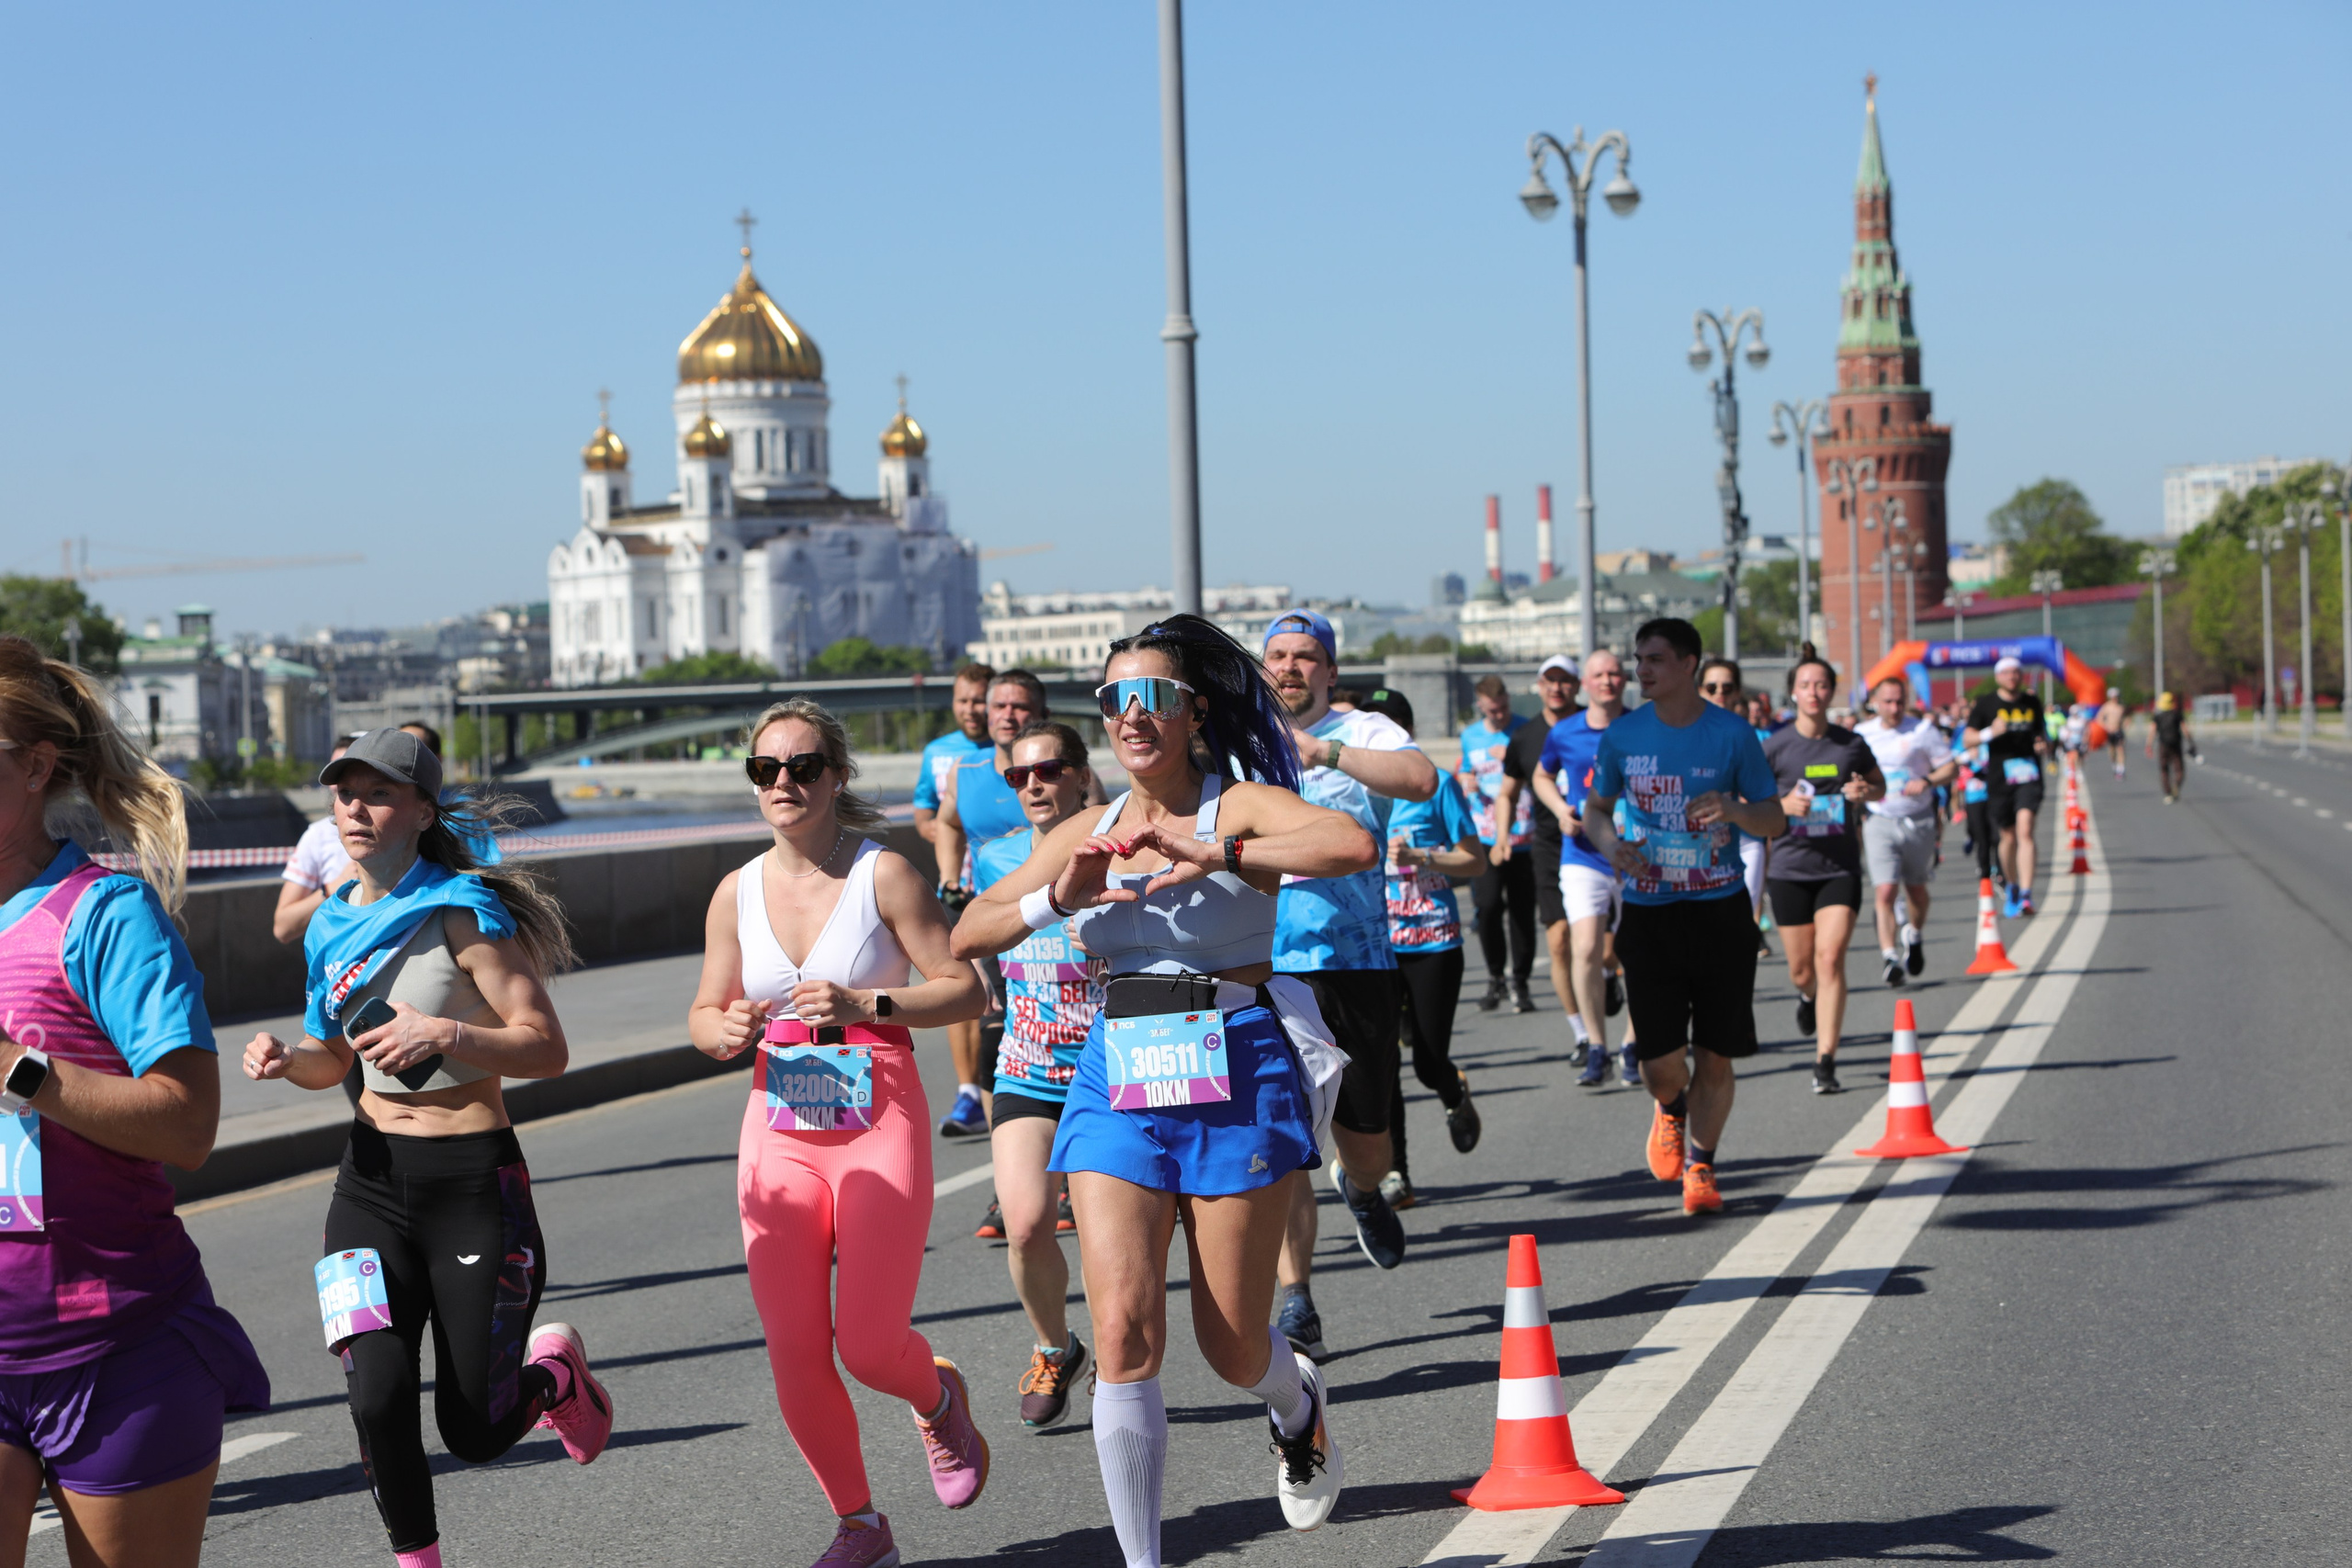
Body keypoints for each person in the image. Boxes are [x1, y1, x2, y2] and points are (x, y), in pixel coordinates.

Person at [951, 614, 1373, 1561]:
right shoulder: (1082, 833)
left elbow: (1348, 847)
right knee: (1124, 1332)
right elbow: (969, 932)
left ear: (1193, 712)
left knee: (1229, 1347)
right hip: (1120, 1072)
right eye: (1114, 701)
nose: (1132, 716)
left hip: (1235, 1064)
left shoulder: (1241, 806)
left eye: (1153, 698)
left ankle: (1294, 1403)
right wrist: (1058, 898)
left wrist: (1215, 855)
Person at [241, 727, 608, 1568]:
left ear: (420, 809)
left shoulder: (461, 910)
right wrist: (283, 1059)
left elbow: (545, 1048)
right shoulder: (328, 924)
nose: (354, 809)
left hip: (473, 1183)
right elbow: (329, 1056)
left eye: (375, 793)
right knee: (375, 1395)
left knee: (472, 1429)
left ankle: (555, 1376)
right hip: (368, 1182)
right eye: (343, 793)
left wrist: (445, 1031)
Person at [686, 699, 990, 1568]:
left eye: (803, 766)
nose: (783, 782)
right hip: (778, 1115)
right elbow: (704, 1012)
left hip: (877, 1106)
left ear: (837, 777)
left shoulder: (882, 874)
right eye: (766, 768)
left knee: (865, 1342)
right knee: (793, 1350)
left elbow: (965, 990)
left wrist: (867, 1003)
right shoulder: (734, 891)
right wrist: (724, 1030)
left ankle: (937, 1398)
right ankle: (861, 1525)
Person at [0, 637, 270, 1568]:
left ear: (35, 767)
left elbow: (188, 1124)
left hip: (115, 1347)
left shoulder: (102, 916)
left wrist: (15, 1071)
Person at [1262, 609, 1439, 1343]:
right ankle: (1297, 1296)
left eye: (1307, 656)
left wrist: (1324, 751)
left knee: (1367, 1142)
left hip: (1356, 960)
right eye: (1279, 654)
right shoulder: (1233, 742)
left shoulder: (1363, 730)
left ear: (1330, 670)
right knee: (1280, 1141)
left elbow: (1422, 778)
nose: (1292, 667)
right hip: (1264, 968)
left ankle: (1363, 1191)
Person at [1580, 619, 1786, 1217]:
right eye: (1638, 659)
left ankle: (1702, 1164)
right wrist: (1611, 843)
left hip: (1721, 909)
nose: (1641, 670)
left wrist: (1735, 808)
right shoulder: (1622, 736)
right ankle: (1670, 1108)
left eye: (1655, 660)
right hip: (1649, 912)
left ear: (1689, 664)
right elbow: (1596, 808)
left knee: (1716, 1054)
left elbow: (1774, 819)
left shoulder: (1733, 735)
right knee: (1659, 1062)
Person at [970, 720, 1102, 1428]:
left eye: (1048, 770)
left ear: (1081, 774)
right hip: (1027, 1065)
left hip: (1111, 1069)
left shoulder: (1120, 852)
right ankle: (1056, 1345)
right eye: (1019, 776)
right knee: (1025, 1224)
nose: (1034, 785)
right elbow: (975, 932)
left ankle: (1117, 1354)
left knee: (1110, 1237)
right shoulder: (996, 859)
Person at [1361, 689, 1483, 1212]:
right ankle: (1396, 1174)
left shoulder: (1438, 786)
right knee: (1383, 1066)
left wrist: (1423, 855)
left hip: (1433, 940)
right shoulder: (1348, 788)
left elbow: (1474, 860)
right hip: (1373, 947)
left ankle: (1452, 1090)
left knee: (1429, 1063)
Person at [1761, 659, 1884, 1095]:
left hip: (1839, 868)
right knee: (1801, 970)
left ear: (1832, 692)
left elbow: (1879, 785)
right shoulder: (1774, 747)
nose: (1813, 692)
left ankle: (1825, 1059)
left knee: (1829, 959)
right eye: (1805, 684)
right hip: (1790, 870)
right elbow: (1746, 804)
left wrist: (1864, 793)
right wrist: (1781, 806)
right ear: (1793, 691)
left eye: (1822, 685)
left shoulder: (1850, 743)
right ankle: (1808, 997)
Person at [934, 669, 1048, 1138]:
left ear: (1040, 714)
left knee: (1056, 1040)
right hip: (989, 920)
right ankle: (1008, 1170)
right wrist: (947, 875)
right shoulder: (969, 771)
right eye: (998, 705)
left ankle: (1066, 1174)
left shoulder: (1057, 770)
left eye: (1019, 706)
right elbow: (947, 823)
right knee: (993, 1031)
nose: (1006, 715)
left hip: (1051, 920)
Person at [1532, 649, 1637, 1089]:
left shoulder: (1642, 727)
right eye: (1600, 674)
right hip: (1583, 853)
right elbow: (1542, 776)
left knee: (1635, 952)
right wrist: (1559, 808)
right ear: (1586, 684)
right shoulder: (1565, 731)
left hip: (1638, 854)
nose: (1608, 681)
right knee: (1586, 947)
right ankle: (1597, 1046)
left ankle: (1634, 1043)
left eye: (1615, 673)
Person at [914, 663, 997, 1145]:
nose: (972, 709)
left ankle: (999, 1084)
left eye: (979, 700)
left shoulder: (1008, 750)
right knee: (960, 985)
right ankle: (967, 1091)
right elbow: (926, 810)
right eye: (963, 700)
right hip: (955, 889)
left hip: (1002, 886)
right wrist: (942, 833)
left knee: (998, 998)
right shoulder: (938, 753)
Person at [1497, 656, 1589, 1041]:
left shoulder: (1597, 724)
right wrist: (1503, 836)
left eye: (1565, 681)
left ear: (1577, 685)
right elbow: (1507, 793)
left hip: (1599, 843)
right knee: (1560, 940)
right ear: (1539, 686)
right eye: (1549, 681)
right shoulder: (1525, 736)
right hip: (1550, 846)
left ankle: (1605, 977)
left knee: (1601, 950)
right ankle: (1582, 1034)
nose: (1557, 688)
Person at [1856, 678, 1957, 987]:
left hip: (1917, 819)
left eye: (1900, 702)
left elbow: (1949, 768)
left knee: (1916, 890)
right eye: (1888, 702)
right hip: (1879, 819)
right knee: (1885, 891)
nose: (1895, 708)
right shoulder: (1862, 735)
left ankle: (1913, 933)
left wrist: (1927, 782)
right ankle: (1889, 957)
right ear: (1874, 701)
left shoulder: (1922, 730)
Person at [1458, 676, 1535, 1013]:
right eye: (1493, 710)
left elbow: (1545, 774)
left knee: (1521, 914)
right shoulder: (1470, 736)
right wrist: (1466, 780)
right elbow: (1463, 771)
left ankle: (1520, 980)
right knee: (1488, 908)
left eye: (1504, 708)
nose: (1501, 715)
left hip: (1524, 835)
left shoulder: (1526, 730)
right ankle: (1495, 979)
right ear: (1481, 706)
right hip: (1486, 837)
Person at [1963, 657, 2050, 917]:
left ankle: (2026, 893)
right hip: (2000, 778)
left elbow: (2041, 733)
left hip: (2029, 775)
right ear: (1998, 676)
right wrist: (1989, 733)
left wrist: (2042, 745)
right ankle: (2011, 883)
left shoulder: (2031, 702)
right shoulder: (1986, 704)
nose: (2013, 677)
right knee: (2008, 836)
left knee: (2026, 830)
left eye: (2016, 672)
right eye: (2007, 673)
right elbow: (1968, 739)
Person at [1701, 659, 1773, 959]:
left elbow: (1769, 803)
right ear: (1699, 690)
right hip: (1696, 846)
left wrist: (1740, 807)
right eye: (1711, 687)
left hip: (1744, 841)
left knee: (1737, 925)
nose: (1719, 693)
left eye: (1726, 687)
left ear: (1737, 693)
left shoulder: (1747, 737)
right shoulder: (1684, 733)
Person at [275, 732, 364, 943]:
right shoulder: (318, 835)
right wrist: (336, 886)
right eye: (336, 779)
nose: (335, 787)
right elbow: (282, 927)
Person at [2148, 692, 2196, 802]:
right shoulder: (2177, 715)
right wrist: (2191, 742)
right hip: (2176, 745)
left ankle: (2168, 793)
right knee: (2179, 769)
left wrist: (2149, 745)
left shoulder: (2157, 717)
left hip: (2163, 745)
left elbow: (2152, 732)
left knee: (2164, 770)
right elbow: (2185, 730)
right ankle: (2176, 786)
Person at [2098, 693, 2127, 780]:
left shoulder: (2120, 707)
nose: (2115, 699)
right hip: (2110, 731)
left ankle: (2121, 769)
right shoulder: (2106, 707)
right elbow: (2099, 718)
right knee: (2112, 750)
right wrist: (2105, 726)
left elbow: (2125, 718)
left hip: (2118, 731)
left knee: (2120, 749)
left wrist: (2125, 724)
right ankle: (2114, 765)